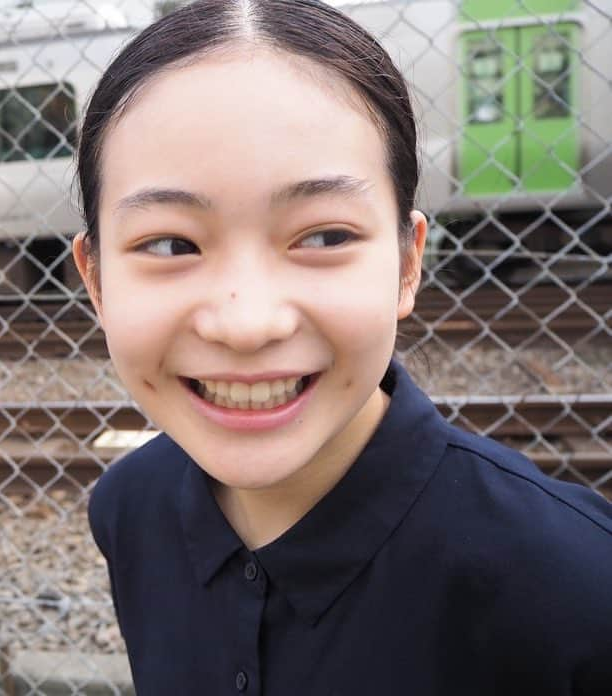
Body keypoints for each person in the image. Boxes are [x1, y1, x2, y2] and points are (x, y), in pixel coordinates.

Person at [69, 1, 612, 694]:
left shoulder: (577, 586)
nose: (246, 324)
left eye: (323, 237)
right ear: (95, 279)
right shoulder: (127, 509)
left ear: (407, 263)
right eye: (170, 244)